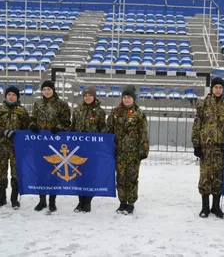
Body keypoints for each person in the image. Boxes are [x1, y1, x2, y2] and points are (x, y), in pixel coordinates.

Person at [191, 77, 224, 219]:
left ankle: (216, 206)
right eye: (216, 87)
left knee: (218, 177)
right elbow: (197, 125)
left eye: (221, 87)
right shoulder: (203, 104)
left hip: (221, 147)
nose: (218, 90)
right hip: (206, 147)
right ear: (211, 88)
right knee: (205, 176)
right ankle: (205, 207)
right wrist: (196, 144)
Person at [28, 80, 71, 212]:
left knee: (54, 172)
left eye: (49, 89)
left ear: (53, 90)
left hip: (55, 144)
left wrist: (59, 128)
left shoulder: (61, 105)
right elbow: (32, 119)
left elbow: (67, 123)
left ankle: (52, 201)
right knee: (40, 172)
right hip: (40, 143)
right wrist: (32, 126)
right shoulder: (38, 104)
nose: (46, 92)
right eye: (44, 89)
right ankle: (42, 200)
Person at [106, 85, 149, 215]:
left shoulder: (139, 114)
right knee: (120, 178)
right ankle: (122, 202)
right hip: (118, 152)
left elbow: (144, 133)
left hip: (133, 153)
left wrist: (144, 150)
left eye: (129, 97)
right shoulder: (115, 113)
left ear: (134, 99)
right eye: (124, 97)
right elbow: (108, 130)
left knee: (131, 177)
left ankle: (130, 202)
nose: (126, 99)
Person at [0, 86, 30, 209]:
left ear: (17, 97)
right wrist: (4, 131)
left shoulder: (22, 111)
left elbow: (26, 128)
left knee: (16, 173)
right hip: (1, 147)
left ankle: (14, 199)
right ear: (6, 96)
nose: (11, 96)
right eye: (9, 94)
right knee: (0, 172)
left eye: (14, 94)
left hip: (16, 148)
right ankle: (1, 198)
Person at [71, 85, 106, 213]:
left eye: (90, 95)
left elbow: (103, 130)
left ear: (94, 96)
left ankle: (87, 201)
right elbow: (73, 127)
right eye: (85, 96)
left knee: (91, 175)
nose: (87, 98)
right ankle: (80, 201)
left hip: (93, 150)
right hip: (78, 149)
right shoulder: (78, 110)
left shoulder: (100, 112)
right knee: (79, 175)